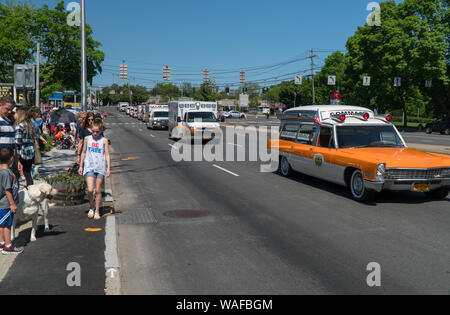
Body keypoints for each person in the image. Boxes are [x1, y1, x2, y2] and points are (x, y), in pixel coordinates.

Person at [78, 120, 110, 220]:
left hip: (100, 167)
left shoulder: (104, 140)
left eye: (97, 132)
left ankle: (97, 210)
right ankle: (91, 207)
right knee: (90, 190)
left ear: (101, 131)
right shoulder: (87, 139)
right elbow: (83, 152)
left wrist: (108, 167)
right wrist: (81, 166)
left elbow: (107, 155)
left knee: (97, 190)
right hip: (89, 166)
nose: (95, 134)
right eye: (93, 131)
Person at [0, 147, 22, 254]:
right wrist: (12, 204)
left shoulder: (3, 171)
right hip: (6, 204)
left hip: (4, 204)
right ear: (11, 158)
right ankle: (8, 246)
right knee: (7, 225)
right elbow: (7, 190)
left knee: (2, 224)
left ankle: (2, 242)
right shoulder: (5, 173)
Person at [14, 108, 36, 187]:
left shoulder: (19, 126)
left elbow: (17, 141)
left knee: (17, 171)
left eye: (15, 113)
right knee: (27, 172)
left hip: (21, 152)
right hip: (30, 152)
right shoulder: (29, 125)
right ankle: (31, 189)